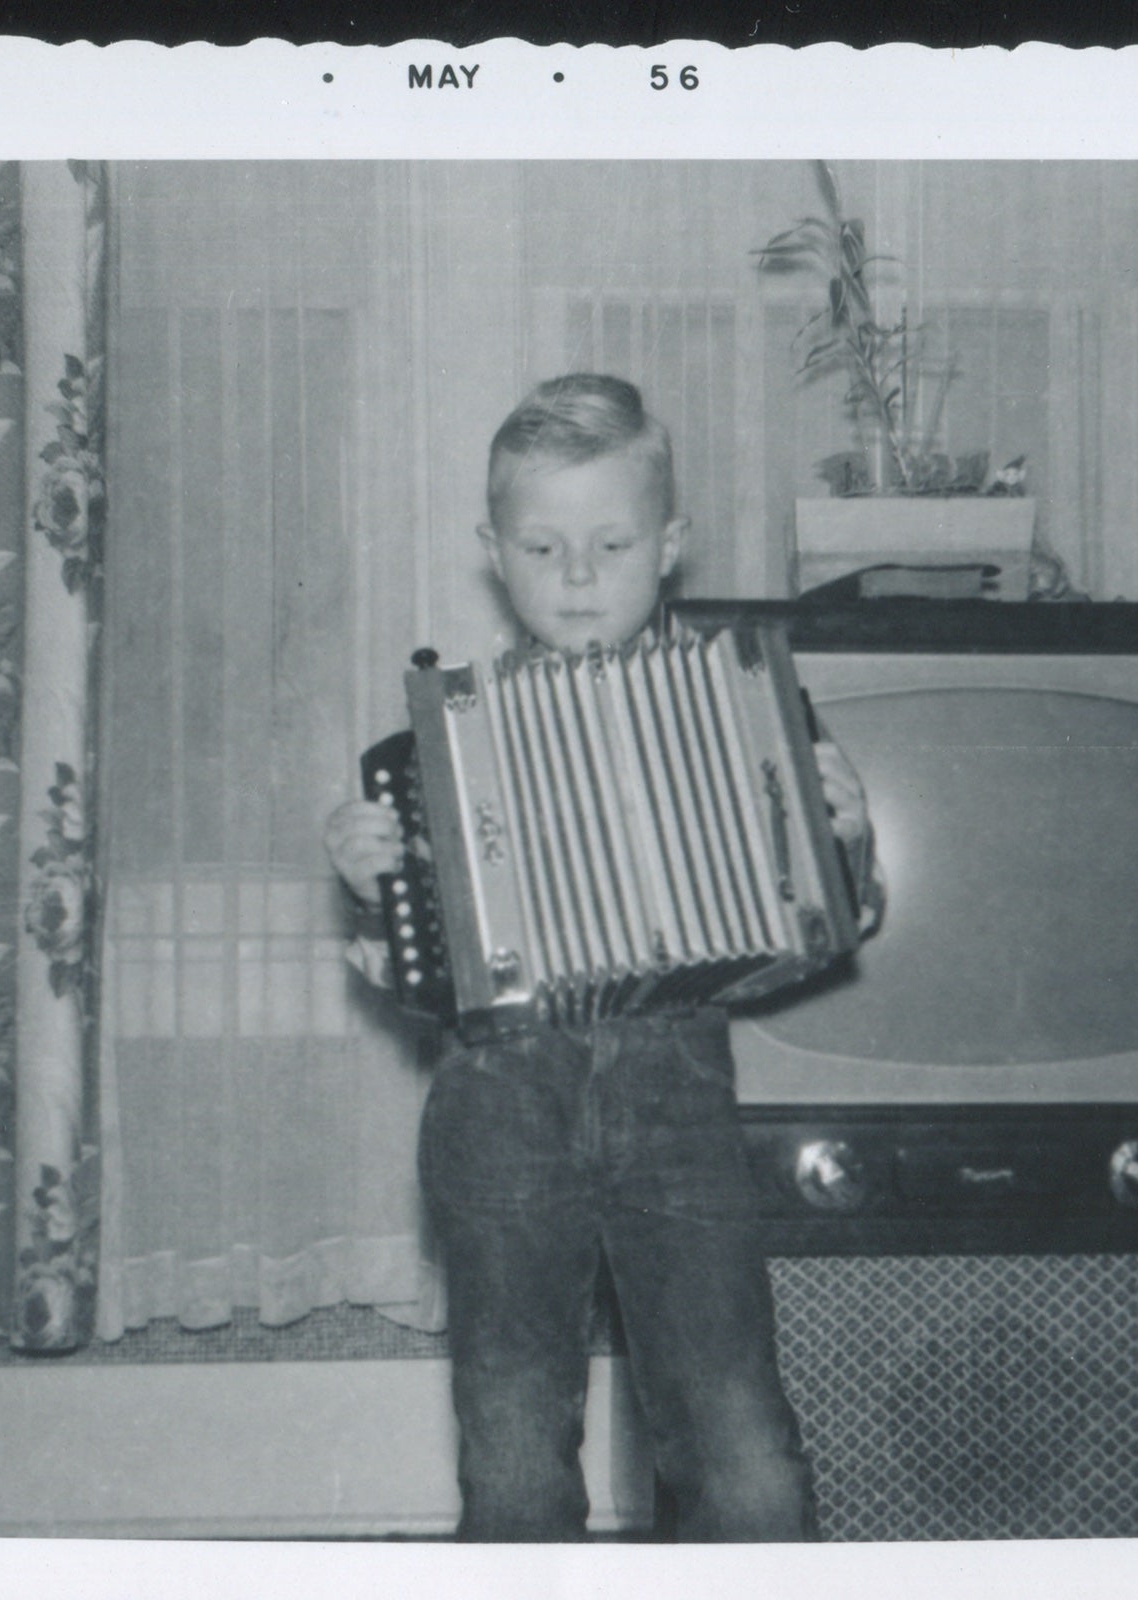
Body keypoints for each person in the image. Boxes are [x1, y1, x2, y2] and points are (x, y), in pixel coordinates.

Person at [323, 374, 883, 1542]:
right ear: (494, 552)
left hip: (678, 1108)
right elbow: (420, 981)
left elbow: (795, 948)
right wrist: (376, 887)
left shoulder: (741, 710)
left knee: (743, 1450)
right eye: (541, 545)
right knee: (517, 1454)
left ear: (669, 545)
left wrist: (847, 846)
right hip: (499, 1114)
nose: (577, 577)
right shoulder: (450, 740)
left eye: (613, 542)